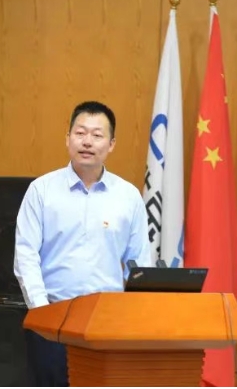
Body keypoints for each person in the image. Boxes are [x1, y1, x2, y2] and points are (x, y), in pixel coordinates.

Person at [14, 100, 153, 386]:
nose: (87, 141)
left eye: (97, 135)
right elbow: (25, 256)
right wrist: (42, 313)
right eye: (80, 133)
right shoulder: (41, 191)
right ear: (68, 138)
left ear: (111, 144)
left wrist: (135, 319)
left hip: (108, 324)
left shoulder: (128, 197)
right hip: (52, 320)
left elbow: (139, 264)